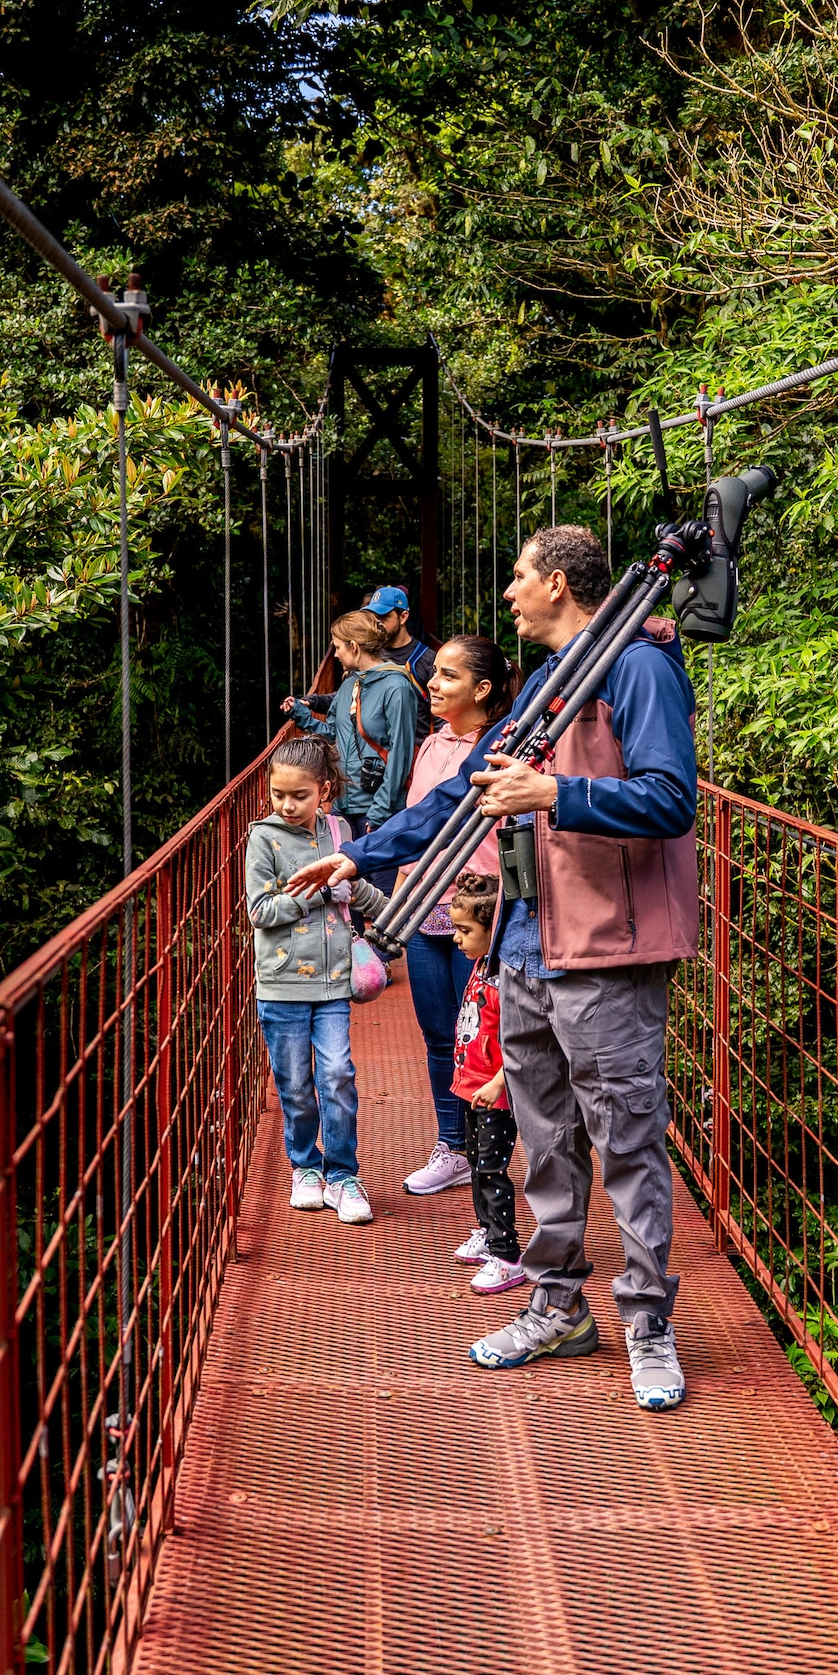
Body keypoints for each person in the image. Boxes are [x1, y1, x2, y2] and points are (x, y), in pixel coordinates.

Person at [287, 525, 699, 1413]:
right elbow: (459, 793)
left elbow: (671, 798)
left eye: (517, 578)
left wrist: (558, 794)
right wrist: (363, 859)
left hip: (605, 951)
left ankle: (649, 1326)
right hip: (524, 944)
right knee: (545, 1144)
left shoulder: (636, 668)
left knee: (625, 1140)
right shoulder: (551, 682)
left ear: (556, 583)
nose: (507, 594)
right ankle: (558, 1307)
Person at [396, 637, 521, 1197]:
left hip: (484, 910)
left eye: (448, 676)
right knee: (438, 1034)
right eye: (435, 674)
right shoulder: (429, 746)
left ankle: (489, 1151)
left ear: (483, 689)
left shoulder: (511, 745)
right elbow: (414, 819)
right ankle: (454, 1146)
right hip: (426, 908)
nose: (434, 684)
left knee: (486, 1040)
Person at [245, 736, 388, 1224]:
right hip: (281, 983)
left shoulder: (338, 828)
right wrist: (318, 891)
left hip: (332, 980)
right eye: (278, 794)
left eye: (299, 795)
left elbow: (355, 885)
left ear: (323, 791)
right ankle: (305, 1167)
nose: (286, 805)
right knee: (296, 1084)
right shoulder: (262, 838)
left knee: (336, 1075)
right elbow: (261, 912)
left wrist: (392, 917)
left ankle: (344, 1173)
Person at [283, 610, 420, 865]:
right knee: (351, 890)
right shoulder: (349, 685)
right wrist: (301, 714)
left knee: (382, 891)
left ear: (354, 647)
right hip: (344, 808)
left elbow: (401, 755)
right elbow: (333, 736)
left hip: (377, 811)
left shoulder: (397, 687)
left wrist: (380, 810)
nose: (334, 655)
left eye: (337, 648)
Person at [447, 872, 525, 1295]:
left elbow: (519, 1037)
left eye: (465, 930)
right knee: (477, 1165)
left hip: (494, 1093)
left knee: (492, 1171)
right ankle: (487, 1231)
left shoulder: (506, 977)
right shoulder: (481, 964)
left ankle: (507, 1253)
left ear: (492, 930)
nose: (456, 939)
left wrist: (498, 1083)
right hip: (472, 1087)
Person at [365, 585, 436, 739]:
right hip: (375, 757)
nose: (376, 623)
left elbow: (443, 716)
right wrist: (311, 702)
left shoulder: (427, 659)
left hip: (414, 755)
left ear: (403, 617)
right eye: (373, 617)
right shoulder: (367, 655)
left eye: (383, 617)